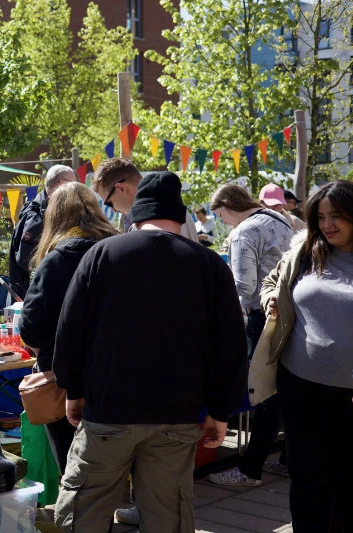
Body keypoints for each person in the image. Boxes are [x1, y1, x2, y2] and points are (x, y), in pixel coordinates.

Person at [51, 171, 247, 532]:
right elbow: (231, 346)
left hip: (108, 411)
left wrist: (73, 390)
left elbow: (70, 331)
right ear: (179, 215)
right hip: (176, 415)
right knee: (167, 516)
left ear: (136, 214)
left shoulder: (101, 255)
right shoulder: (207, 265)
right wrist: (221, 411)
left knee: (85, 513)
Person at [93, 158, 200, 527]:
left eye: (108, 200)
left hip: (165, 350)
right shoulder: (131, 223)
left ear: (122, 188)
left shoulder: (172, 215)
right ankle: (148, 503)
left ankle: (153, 504)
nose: (109, 208)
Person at [257, 181, 353, 531]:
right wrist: (271, 299)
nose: (328, 225)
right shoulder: (305, 251)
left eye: (338, 216)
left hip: (349, 393)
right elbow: (270, 282)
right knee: (308, 475)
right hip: (300, 384)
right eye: (322, 217)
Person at [18, 182, 118, 472]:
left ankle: (80, 517)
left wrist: (46, 353)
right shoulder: (118, 250)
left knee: (72, 466)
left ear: (55, 216)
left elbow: (31, 325)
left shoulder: (57, 259)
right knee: (115, 463)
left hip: (65, 380)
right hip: (118, 372)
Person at [208, 183, 293, 487]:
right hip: (288, 312)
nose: (222, 221)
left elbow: (243, 286)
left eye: (220, 215)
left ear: (228, 207)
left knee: (265, 391)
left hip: (261, 314)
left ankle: (250, 469)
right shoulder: (280, 219)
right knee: (283, 389)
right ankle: (286, 460)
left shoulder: (244, 231)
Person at [8, 165, 76, 299]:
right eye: (73, 184)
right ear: (62, 184)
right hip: (32, 296)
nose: (75, 191)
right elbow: (28, 263)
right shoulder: (35, 218)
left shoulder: (50, 211)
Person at [93, 158, 199, 242]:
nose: (113, 210)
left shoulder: (162, 214)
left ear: (121, 188)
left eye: (109, 203)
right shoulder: (175, 208)